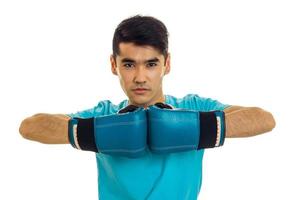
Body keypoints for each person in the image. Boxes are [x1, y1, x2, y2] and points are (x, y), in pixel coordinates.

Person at [19, 15, 276, 200]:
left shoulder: (193, 108)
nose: (140, 77)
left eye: (151, 64)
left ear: (167, 64)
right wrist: (97, 132)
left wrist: (192, 127)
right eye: (129, 64)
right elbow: (30, 127)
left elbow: (263, 119)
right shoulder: (105, 115)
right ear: (113, 64)